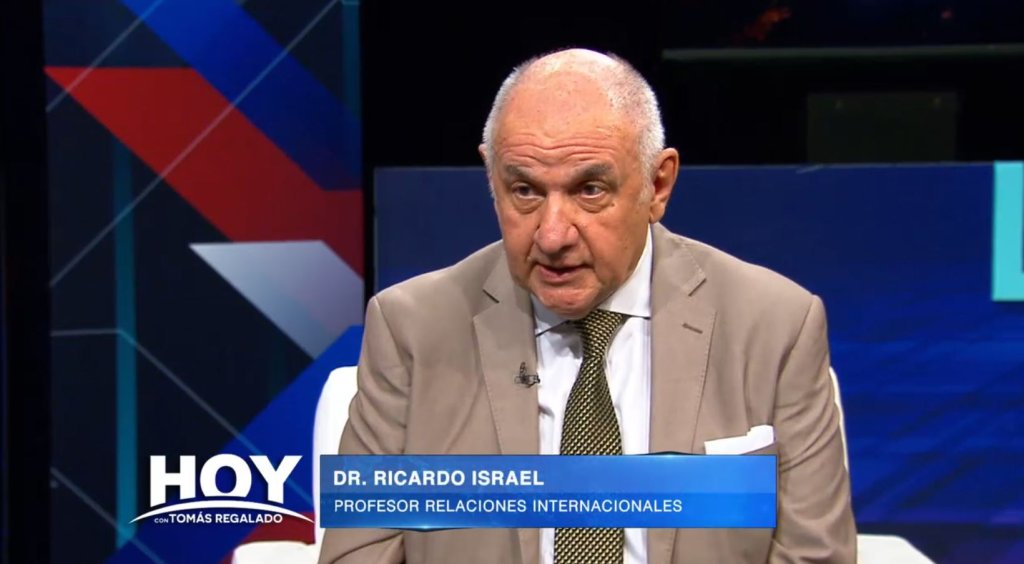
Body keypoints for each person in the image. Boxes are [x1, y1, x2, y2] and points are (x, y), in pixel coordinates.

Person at [319, 48, 855, 564]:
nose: (552, 235)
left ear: (658, 184)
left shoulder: (773, 326)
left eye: (590, 189)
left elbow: (816, 555)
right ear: (491, 178)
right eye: (524, 190)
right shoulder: (412, 329)